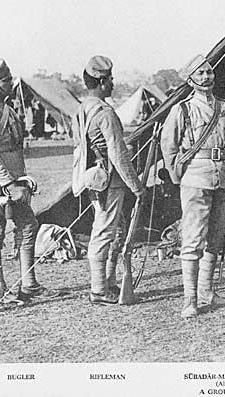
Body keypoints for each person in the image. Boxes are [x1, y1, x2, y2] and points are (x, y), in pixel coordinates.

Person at [0, 58, 58, 313]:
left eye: (9, 78)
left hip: (16, 181)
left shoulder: (8, 110)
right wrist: (9, 184)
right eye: (4, 80)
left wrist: (20, 180)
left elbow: (13, 149)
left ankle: (29, 283)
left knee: (28, 225)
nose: (10, 83)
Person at [161, 54, 225, 318]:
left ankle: (207, 292)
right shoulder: (182, 109)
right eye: (200, 73)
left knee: (216, 237)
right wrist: (178, 177)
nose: (207, 77)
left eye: (209, 72)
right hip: (195, 177)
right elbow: (168, 147)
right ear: (191, 80)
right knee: (193, 239)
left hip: (223, 176)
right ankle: (190, 299)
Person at [72, 56, 144, 305]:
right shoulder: (104, 112)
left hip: (93, 177)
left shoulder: (81, 110)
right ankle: (99, 289)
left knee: (111, 229)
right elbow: (118, 152)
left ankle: (108, 283)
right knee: (104, 231)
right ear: (102, 81)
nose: (113, 83)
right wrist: (137, 186)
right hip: (111, 179)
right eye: (110, 79)